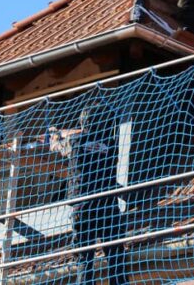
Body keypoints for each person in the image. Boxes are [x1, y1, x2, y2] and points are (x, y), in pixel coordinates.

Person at [50, 106, 127, 284]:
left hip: (83, 207)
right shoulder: (111, 144)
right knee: (116, 257)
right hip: (107, 206)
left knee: (85, 260)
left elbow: (56, 146)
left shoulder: (75, 141)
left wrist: (55, 135)